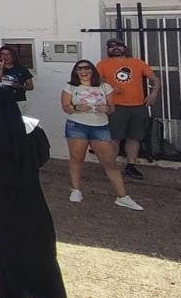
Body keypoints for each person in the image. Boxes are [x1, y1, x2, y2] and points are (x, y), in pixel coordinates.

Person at [0, 84, 68, 298]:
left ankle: (9, 293)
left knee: (4, 241)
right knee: (37, 240)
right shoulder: (32, 128)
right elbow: (43, 156)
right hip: (30, 190)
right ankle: (48, 291)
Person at [61, 59, 143, 209]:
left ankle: (122, 196)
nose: (83, 71)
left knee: (110, 162)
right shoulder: (70, 87)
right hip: (77, 125)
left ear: (93, 71)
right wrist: (77, 106)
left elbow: (112, 108)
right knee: (77, 158)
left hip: (100, 126)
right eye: (80, 69)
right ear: (75, 72)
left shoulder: (105, 87)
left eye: (87, 68)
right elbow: (66, 107)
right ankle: (76, 189)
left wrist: (107, 109)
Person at [97, 38, 161, 181]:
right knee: (114, 138)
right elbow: (96, 80)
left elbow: (155, 79)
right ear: (108, 50)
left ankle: (131, 166)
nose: (115, 48)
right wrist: (110, 87)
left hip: (138, 106)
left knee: (134, 137)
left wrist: (153, 94)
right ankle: (111, 167)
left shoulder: (137, 63)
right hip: (116, 106)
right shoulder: (103, 64)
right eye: (111, 46)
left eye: (118, 45)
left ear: (124, 47)